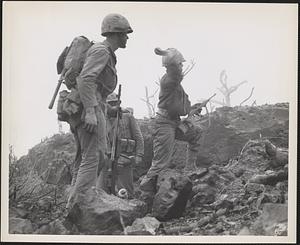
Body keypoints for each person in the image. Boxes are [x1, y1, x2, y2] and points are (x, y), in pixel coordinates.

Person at [66, 13, 133, 209]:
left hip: (88, 104)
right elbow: (86, 79)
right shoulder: (102, 51)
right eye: (124, 34)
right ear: (115, 34)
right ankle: (82, 205)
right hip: (89, 106)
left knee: (86, 158)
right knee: (94, 157)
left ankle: (74, 203)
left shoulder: (103, 52)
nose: (127, 37)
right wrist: (90, 112)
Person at [139, 47, 203, 211]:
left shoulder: (177, 86)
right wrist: (169, 57)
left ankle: (190, 169)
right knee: (161, 163)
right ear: (172, 66)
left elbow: (180, 106)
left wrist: (192, 109)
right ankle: (145, 197)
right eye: (179, 64)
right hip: (164, 123)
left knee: (196, 133)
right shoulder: (168, 80)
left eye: (181, 64)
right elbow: (176, 75)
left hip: (174, 122)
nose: (182, 67)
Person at [98, 92, 144, 199]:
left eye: (115, 103)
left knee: (126, 193)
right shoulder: (101, 119)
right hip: (106, 160)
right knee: (101, 192)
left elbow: (138, 137)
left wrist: (139, 155)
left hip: (124, 159)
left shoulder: (127, 117)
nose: (113, 106)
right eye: (110, 103)